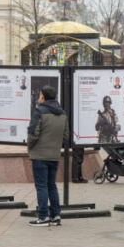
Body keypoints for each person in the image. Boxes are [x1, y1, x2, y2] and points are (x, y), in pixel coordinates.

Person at [27, 85, 69, 226]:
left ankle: (43, 216)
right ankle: (56, 215)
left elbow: (33, 133)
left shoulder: (39, 111)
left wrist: (30, 147)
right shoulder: (62, 114)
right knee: (52, 185)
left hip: (39, 155)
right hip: (54, 155)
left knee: (41, 186)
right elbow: (66, 136)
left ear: (43, 96)